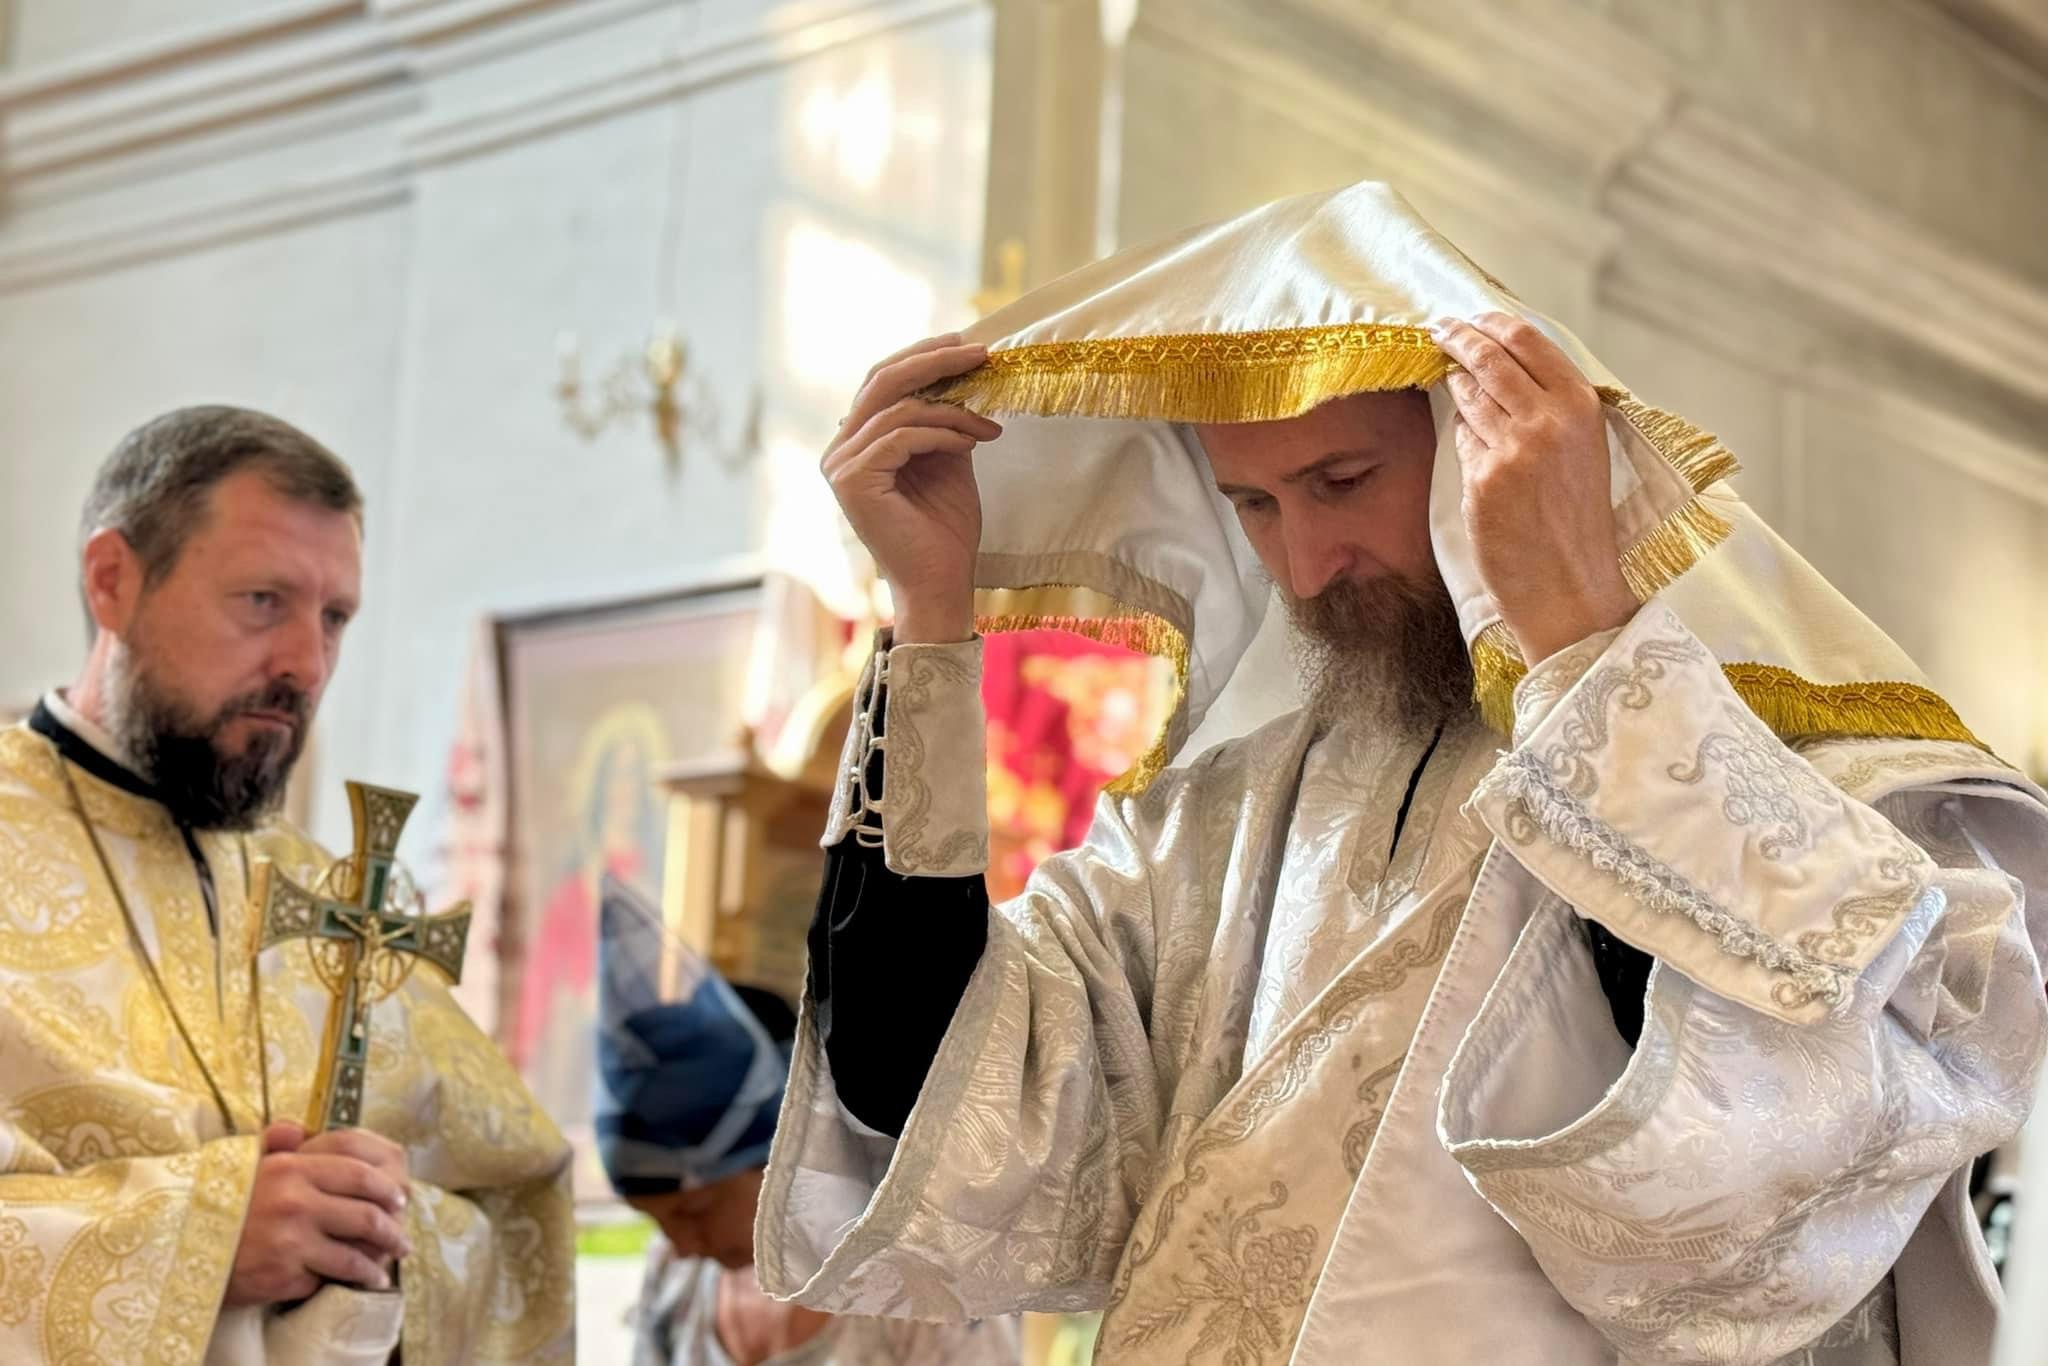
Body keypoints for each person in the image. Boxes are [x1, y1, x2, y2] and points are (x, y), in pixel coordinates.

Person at [753, 182, 2048, 1365]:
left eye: (1341, 480)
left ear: (1474, 440)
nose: (1303, 563)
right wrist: (928, 623)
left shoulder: (1769, 755)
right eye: (1254, 505)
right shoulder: (1211, 825)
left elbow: (1798, 1142)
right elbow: (929, 1085)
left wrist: (1576, 639)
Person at [0, 407, 575, 1363]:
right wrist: (193, 1243)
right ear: (112, 581)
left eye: (334, 618)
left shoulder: (331, 897)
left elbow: (518, 1213)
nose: (305, 665)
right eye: (263, 600)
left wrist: (380, 1230)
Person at [594, 874, 1020, 1365]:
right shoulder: (677, 1278)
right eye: (659, 1221)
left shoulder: (913, 1288)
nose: (682, 1246)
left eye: (695, 1211)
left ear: (777, 1158)